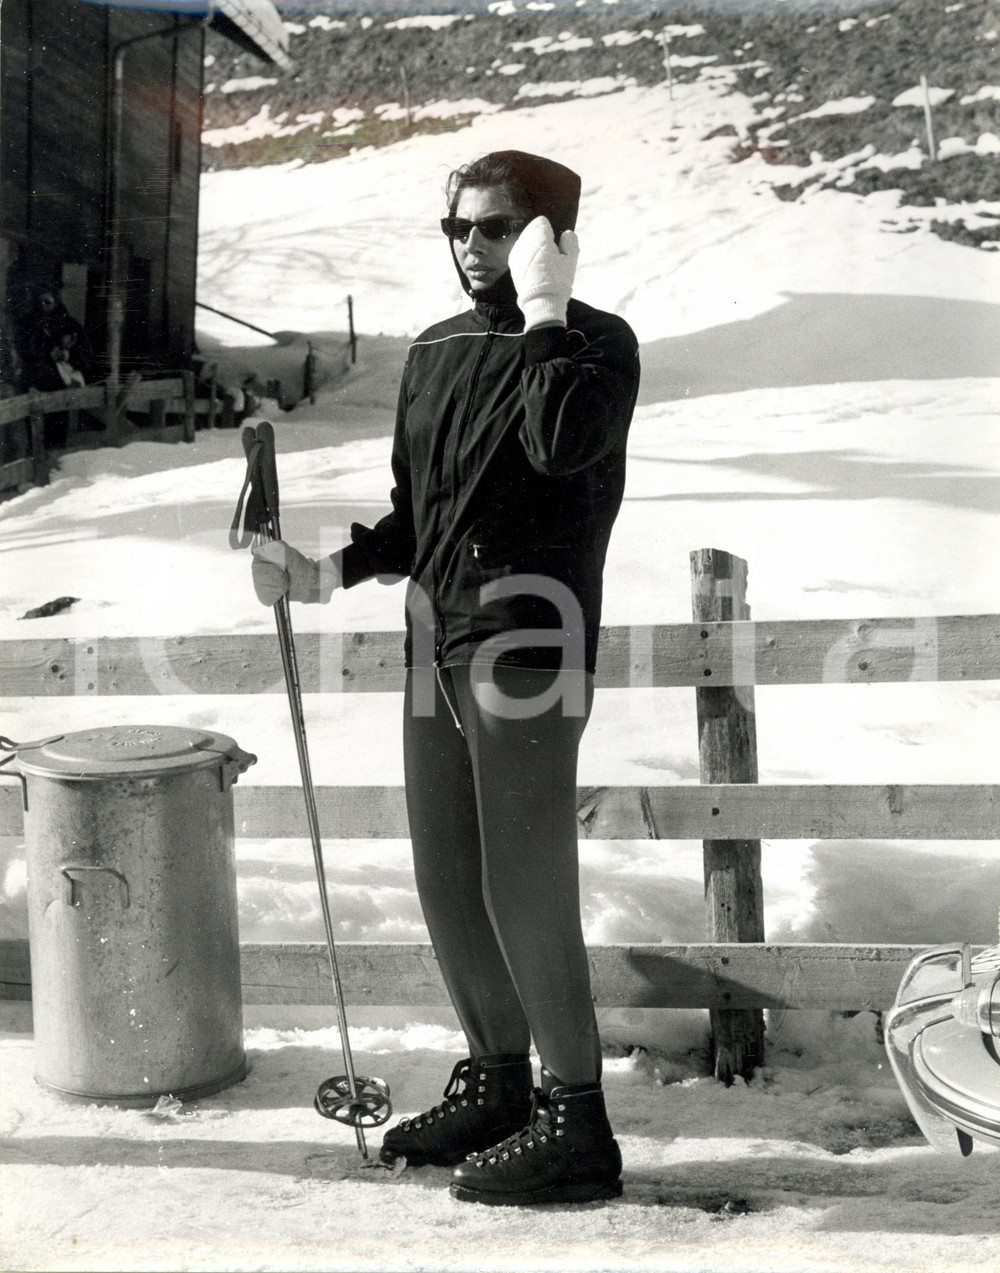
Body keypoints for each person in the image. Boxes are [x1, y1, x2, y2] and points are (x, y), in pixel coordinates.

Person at [251, 150, 640, 1206]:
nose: (474, 247)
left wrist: (548, 311)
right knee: (447, 870)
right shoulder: (434, 351)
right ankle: (499, 1078)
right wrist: (328, 570)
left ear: (551, 233)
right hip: (436, 628)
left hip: (528, 629)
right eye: (460, 228)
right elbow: (417, 513)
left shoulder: (594, 344)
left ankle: (576, 1117)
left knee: (525, 878)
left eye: (499, 227)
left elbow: (561, 444)